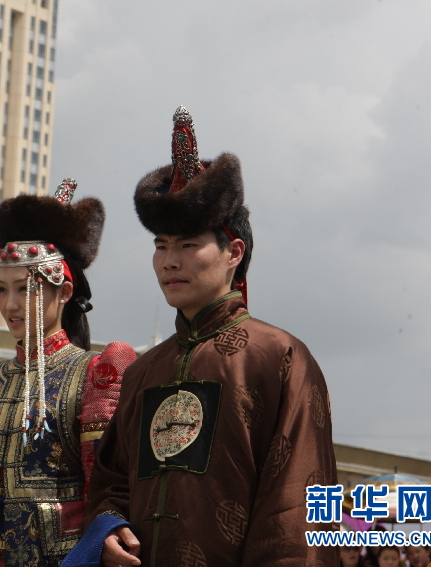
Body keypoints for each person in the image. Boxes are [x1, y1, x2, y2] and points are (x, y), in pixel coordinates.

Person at [65, 105, 338, 567]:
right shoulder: (144, 371)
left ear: (234, 251)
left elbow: (298, 502)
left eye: (188, 245)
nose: (170, 261)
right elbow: (112, 480)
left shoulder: (280, 358)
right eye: (160, 245)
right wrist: (109, 527)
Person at [0, 179, 137, 567]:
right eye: (1, 290)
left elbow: (102, 482)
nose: (11, 304)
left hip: (59, 555)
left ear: (64, 292)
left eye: (25, 289)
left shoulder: (94, 372)